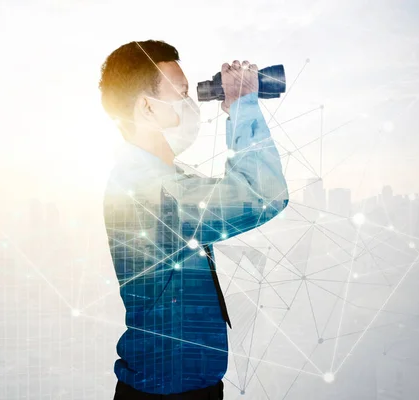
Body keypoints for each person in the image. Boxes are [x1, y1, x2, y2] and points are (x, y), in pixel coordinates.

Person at [99, 40, 289, 399]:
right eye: (181, 94)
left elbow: (230, 192)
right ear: (146, 108)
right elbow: (261, 196)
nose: (191, 105)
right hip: (168, 393)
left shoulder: (155, 180)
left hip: (176, 387)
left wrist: (237, 106)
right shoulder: (152, 191)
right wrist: (244, 104)